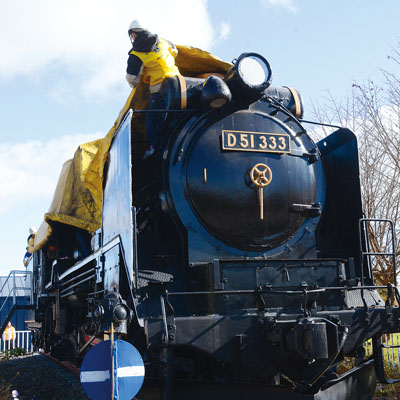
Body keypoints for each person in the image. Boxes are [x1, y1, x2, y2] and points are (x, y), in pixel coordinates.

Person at [126, 20, 180, 151]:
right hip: (179, 83)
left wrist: (146, 75)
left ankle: (154, 147)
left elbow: (132, 80)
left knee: (152, 120)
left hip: (159, 89)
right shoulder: (162, 41)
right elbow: (175, 51)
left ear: (134, 35)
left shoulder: (135, 55)